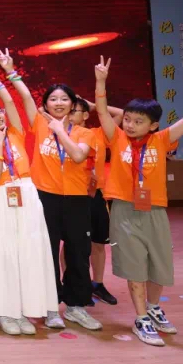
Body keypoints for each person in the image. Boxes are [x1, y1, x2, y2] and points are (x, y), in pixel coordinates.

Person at [94, 57, 183, 346]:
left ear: (153, 125)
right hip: (123, 209)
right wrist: (101, 81)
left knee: (159, 264)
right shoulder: (116, 138)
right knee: (134, 266)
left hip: (154, 209)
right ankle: (140, 318)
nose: (130, 125)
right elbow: (103, 112)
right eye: (128, 120)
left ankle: (154, 308)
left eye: (138, 122)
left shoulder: (162, 139)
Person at [3, 51, 101, 331]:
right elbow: (24, 97)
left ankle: (76, 306)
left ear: (73, 105)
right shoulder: (40, 123)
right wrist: (10, 71)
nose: (58, 103)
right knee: (45, 252)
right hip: (44, 197)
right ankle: (49, 307)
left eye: (64, 99)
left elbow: (78, 156)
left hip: (77, 199)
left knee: (78, 253)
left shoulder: (84, 133)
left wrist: (60, 131)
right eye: (53, 99)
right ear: (46, 104)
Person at [0, 52, 58, 336]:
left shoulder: (16, 133)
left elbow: (14, 100)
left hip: (27, 194)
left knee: (29, 251)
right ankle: (5, 312)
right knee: (4, 254)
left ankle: (24, 308)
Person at [70, 97, 120, 306]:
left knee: (99, 241)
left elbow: (121, 114)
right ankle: (73, 283)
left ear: (85, 114)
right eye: (68, 110)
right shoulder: (62, 134)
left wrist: (94, 105)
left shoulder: (99, 133)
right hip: (73, 193)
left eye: (74, 110)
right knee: (72, 242)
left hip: (96, 193)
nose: (70, 114)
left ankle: (97, 284)